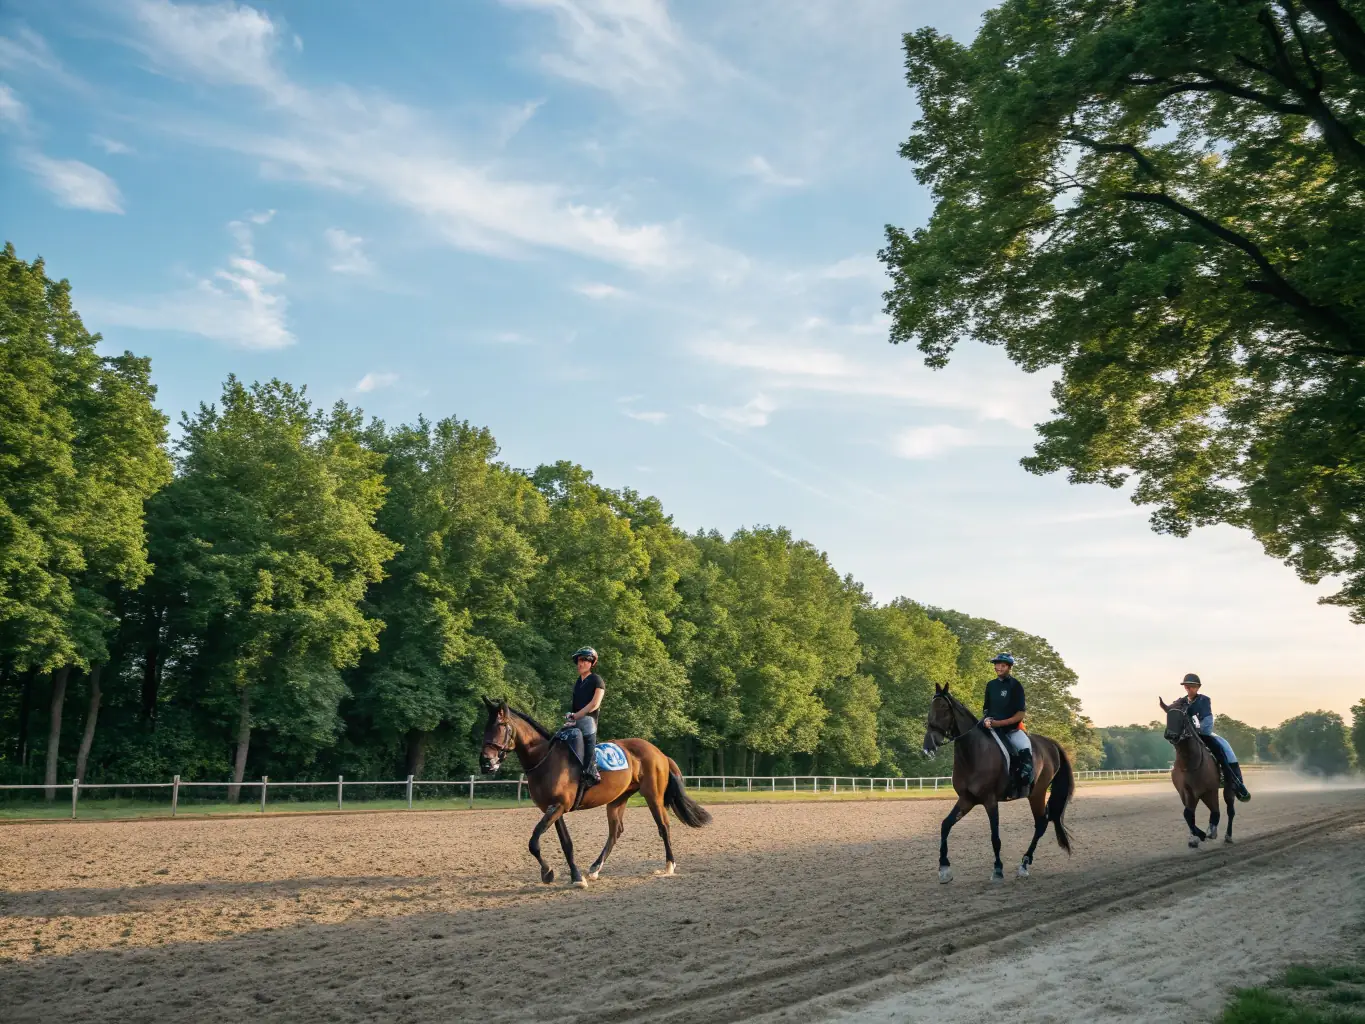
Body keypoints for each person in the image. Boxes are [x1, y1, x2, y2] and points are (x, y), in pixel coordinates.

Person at [1171, 673, 1251, 802]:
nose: (1189, 689)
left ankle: (1236, 781)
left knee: (1224, 747)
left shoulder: (1204, 700)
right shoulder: (1181, 701)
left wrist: (1199, 731)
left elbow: (1208, 720)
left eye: (1192, 687)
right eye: (1187, 686)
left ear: (1198, 687)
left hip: (1203, 733)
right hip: (1187, 736)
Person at [982, 653, 1032, 794]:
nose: (998, 667)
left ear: (1009, 667)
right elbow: (986, 708)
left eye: (1002, 665)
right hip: (992, 729)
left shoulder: (1016, 685)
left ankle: (1024, 782)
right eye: (996, 665)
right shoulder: (991, 685)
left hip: (1012, 731)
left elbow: (1020, 714)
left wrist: (1001, 723)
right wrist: (987, 719)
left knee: (1025, 748)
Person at [566, 647, 605, 785]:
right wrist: (571, 717)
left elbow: (594, 704)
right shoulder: (578, 682)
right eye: (578, 661)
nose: (580, 664)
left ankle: (591, 771)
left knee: (588, 739)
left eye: (583, 660)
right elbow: (575, 705)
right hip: (576, 719)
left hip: (589, 720)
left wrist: (576, 716)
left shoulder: (597, 680)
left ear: (591, 663)